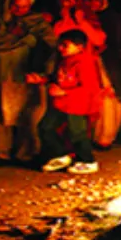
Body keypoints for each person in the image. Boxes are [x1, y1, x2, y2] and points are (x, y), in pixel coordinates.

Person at [0, 0, 56, 165]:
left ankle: (26, 153)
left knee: (25, 114)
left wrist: (44, 69)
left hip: (25, 72)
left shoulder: (37, 23)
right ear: (7, 4)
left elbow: (51, 45)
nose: (20, 11)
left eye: (25, 7)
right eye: (16, 6)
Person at [38, 30, 102, 175]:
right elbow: (60, 78)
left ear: (79, 47)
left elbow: (90, 87)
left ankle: (88, 161)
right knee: (45, 127)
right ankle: (60, 155)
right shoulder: (64, 60)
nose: (60, 48)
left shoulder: (85, 63)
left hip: (77, 105)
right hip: (61, 104)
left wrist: (65, 92)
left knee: (77, 133)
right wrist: (43, 80)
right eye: (60, 45)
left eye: (65, 45)